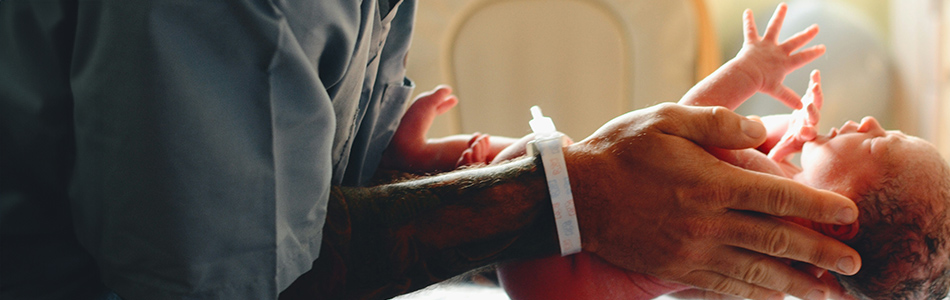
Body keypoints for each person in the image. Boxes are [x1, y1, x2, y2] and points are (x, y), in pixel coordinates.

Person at [0, 1, 861, 300]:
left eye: (876, 147)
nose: (853, 127)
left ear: (825, 251)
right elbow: (226, 276)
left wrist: (377, 175)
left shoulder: (740, 246)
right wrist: (565, 194)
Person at [489, 5, 950, 299]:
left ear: (839, 217)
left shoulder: (761, 189)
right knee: (515, 158)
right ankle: (430, 157)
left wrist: (751, 71)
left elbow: (672, 134)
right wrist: (793, 141)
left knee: (526, 157)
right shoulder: (782, 260)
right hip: (557, 279)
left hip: (556, 266)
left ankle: (437, 161)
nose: (869, 122)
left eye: (878, 141)